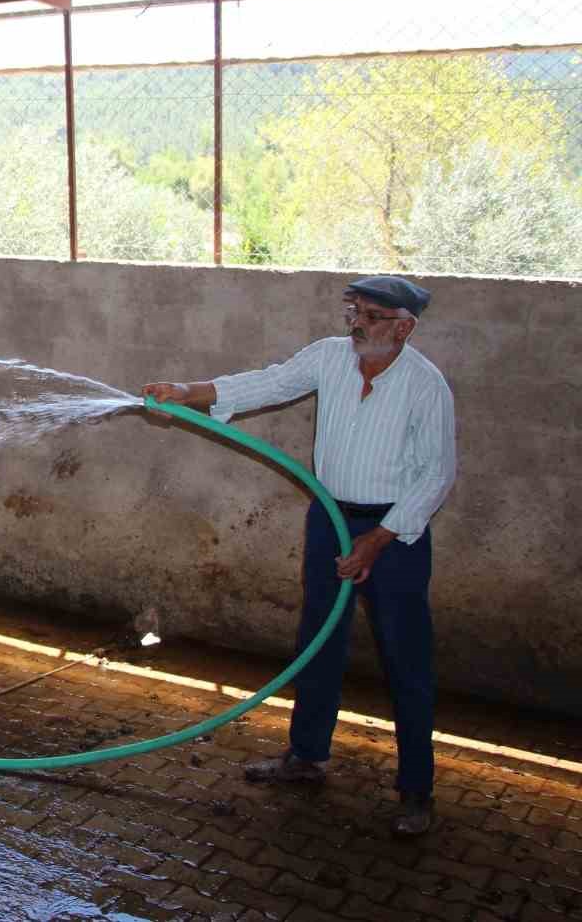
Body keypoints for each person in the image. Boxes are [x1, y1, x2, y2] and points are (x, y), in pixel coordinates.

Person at [143, 275, 456, 837]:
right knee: (318, 642)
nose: (356, 323)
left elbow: (435, 476)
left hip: (395, 535)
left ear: (404, 327)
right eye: (353, 311)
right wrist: (186, 391)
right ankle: (307, 758)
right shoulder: (331, 358)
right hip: (331, 520)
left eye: (371, 316)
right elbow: (268, 382)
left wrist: (379, 539)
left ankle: (415, 791)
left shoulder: (425, 386)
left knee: (405, 661)